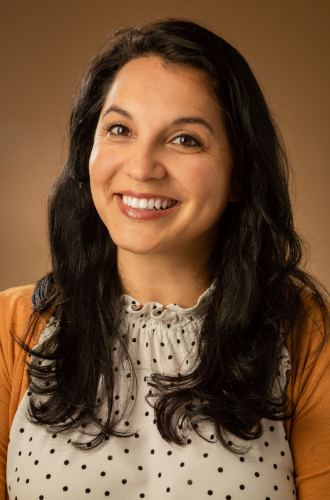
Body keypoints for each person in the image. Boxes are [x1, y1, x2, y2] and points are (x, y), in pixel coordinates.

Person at [1, 18, 329, 500]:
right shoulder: (12, 328)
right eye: (119, 129)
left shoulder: (304, 334)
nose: (140, 167)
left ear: (239, 175)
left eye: (185, 139)